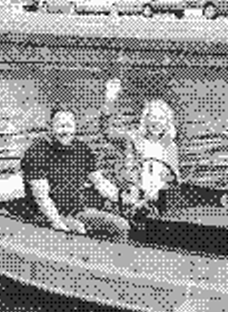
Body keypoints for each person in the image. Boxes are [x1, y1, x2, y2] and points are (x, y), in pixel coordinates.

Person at [20, 107, 130, 241]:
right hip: (43, 216)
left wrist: (121, 198)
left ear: (75, 127)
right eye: (61, 126)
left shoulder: (81, 149)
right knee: (80, 229)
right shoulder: (37, 152)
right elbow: (41, 198)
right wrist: (59, 224)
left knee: (121, 225)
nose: (65, 131)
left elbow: (99, 182)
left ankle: (115, 257)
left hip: (76, 211)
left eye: (69, 126)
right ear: (50, 127)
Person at [102, 81, 180, 218]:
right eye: (152, 117)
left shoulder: (171, 146)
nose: (156, 122)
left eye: (161, 118)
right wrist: (110, 100)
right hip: (135, 195)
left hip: (159, 199)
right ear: (145, 120)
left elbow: (174, 178)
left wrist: (159, 190)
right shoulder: (133, 138)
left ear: (167, 122)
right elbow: (107, 131)